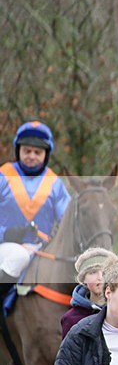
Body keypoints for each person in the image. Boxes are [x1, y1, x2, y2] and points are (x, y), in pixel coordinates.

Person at [0, 121, 70, 305]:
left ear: (46, 154)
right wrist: (8, 234)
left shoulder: (55, 183)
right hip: (6, 247)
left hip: (42, 250)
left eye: (37, 152)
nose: (31, 156)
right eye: (27, 151)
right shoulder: (3, 176)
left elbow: (68, 221)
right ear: (18, 151)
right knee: (18, 256)